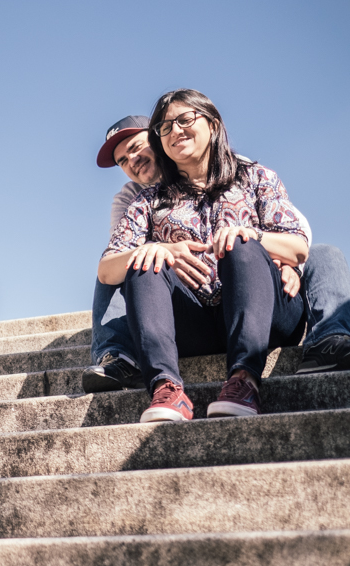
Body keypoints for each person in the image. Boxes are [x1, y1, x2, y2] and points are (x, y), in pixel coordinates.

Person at [86, 113, 350, 393]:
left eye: (136, 147)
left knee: (324, 254)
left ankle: (329, 341)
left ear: (159, 137)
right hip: (185, 305)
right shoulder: (134, 199)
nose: (132, 160)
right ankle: (119, 357)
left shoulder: (238, 169)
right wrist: (157, 249)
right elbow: (119, 255)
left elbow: (298, 230)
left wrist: (291, 265)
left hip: (255, 287)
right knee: (123, 264)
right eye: (122, 161)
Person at [98, 89, 309, 422]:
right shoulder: (146, 201)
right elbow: (107, 271)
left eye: (185, 120)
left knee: (241, 243)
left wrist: (252, 236)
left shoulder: (255, 176)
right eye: (165, 127)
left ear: (212, 124)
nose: (175, 131)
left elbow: (298, 246)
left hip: (265, 315)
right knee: (144, 260)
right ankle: (167, 388)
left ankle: (244, 380)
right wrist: (154, 248)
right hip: (193, 323)